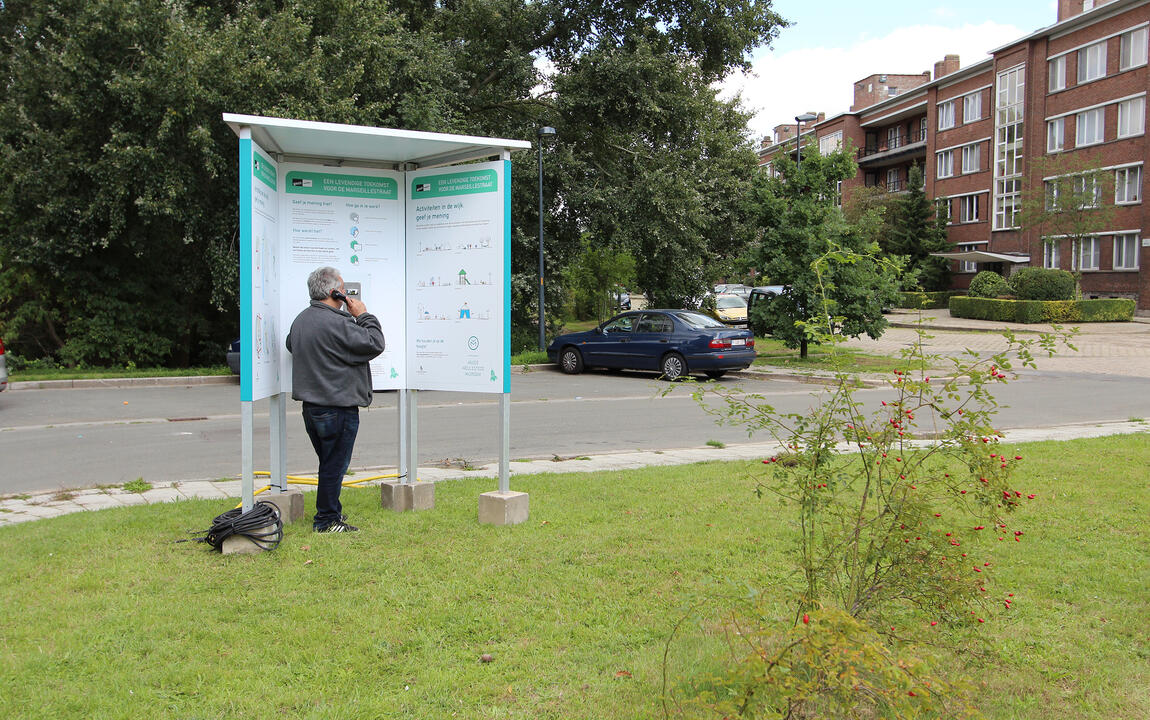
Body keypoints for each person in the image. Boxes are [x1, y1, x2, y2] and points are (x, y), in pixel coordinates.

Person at [286, 266, 385, 533]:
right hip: (338, 408)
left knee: (329, 463)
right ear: (335, 292)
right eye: (343, 288)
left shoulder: (301, 320)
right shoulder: (339, 323)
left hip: (312, 409)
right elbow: (375, 343)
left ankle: (331, 514)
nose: (346, 292)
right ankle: (327, 520)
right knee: (334, 466)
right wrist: (363, 315)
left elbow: (290, 344)